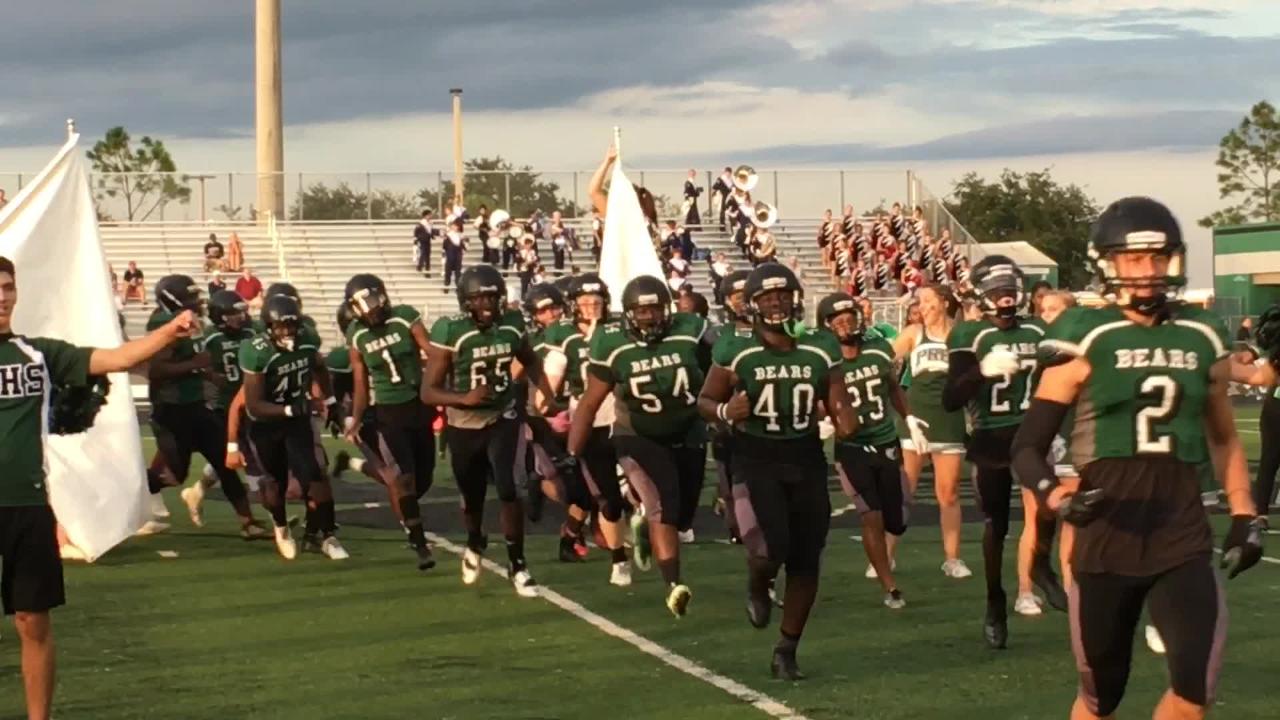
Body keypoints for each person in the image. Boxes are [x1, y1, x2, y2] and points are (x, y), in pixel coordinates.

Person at [1011, 197, 1264, 720]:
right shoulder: (1082, 334)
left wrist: (1244, 512)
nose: (1148, 272)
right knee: (1101, 697)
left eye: (1157, 258)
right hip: (1109, 533)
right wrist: (1054, 495)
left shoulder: (1201, 334)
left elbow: (1223, 437)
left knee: (1196, 692)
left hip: (1181, 530)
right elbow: (1028, 447)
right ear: (1109, 263)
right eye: (1134, 259)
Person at [0, 255, 199, 720]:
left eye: (7, 286)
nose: (2, 296)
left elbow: (117, 358)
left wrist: (169, 332)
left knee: (32, 620)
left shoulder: (39, 353)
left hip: (27, 503)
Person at [697, 263, 857, 680]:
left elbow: (836, 395)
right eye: (768, 297)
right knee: (770, 548)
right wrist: (725, 411)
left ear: (797, 299)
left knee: (806, 560)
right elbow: (705, 400)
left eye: (784, 295)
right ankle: (758, 582)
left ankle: (786, 649)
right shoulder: (736, 347)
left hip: (805, 457)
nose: (777, 303)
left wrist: (844, 416)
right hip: (755, 455)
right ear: (751, 305)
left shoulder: (821, 346)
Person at [571, 276, 713, 614]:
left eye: (655, 309)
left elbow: (719, 375)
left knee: (682, 518)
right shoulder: (612, 343)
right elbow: (591, 400)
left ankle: (641, 515)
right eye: (642, 310)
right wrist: (574, 449)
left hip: (688, 430)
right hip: (638, 433)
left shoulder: (691, 330)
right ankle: (673, 585)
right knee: (665, 502)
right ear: (629, 314)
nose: (649, 317)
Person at [942, 255, 1063, 649]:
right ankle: (995, 601)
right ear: (982, 295)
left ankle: (1041, 565)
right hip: (990, 436)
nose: (1007, 299)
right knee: (997, 526)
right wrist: (981, 371)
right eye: (998, 292)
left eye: (1010, 290)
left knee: (1049, 503)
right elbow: (950, 398)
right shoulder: (969, 336)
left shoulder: (1038, 330)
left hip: (1031, 432)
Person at [422, 265, 555, 598]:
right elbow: (429, 391)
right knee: (473, 494)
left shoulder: (510, 324)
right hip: (464, 422)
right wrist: (463, 398)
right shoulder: (450, 329)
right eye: (478, 299)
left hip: (503, 415)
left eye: (491, 298)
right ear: (465, 301)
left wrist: (546, 392)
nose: (485, 305)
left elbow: (531, 358)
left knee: (510, 488)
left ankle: (518, 563)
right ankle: (474, 542)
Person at [145, 276, 260, 536]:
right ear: (172, 298)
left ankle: (248, 523)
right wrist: (196, 365)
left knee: (225, 463)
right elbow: (158, 369)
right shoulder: (161, 323)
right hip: (170, 409)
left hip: (196, 405)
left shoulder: (190, 320)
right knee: (175, 474)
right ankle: (135, 488)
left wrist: (209, 374)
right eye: (190, 296)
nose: (196, 301)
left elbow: (192, 359)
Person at [818, 292, 910, 610]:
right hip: (852, 447)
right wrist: (826, 419)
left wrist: (910, 418)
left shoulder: (880, 350)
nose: (845, 325)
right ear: (827, 326)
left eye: (849, 318)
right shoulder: (824, 360)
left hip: (885, 440)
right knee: (871, 515)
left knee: (896, 520)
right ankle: (890, 586)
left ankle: (887, 566)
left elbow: (893, 387)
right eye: (838, 321)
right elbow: (816, 400)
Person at [238, 293, 345, 561]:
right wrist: (288, 409)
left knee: (314, 474)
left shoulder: (307, 338)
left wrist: (331, 401)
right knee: (275, 483)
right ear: (268, 326)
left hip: (296, 421)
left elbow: (319, 366)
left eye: (291, 325)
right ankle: (281, 526)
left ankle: (328, 535)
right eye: (280, 326)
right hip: (266, 424)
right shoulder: (257, 350)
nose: (287, 332)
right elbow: (253, 405)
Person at [341, 274, 437, 570]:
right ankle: (418, 540)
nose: (368, 309)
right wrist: (355, 418)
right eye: (361, 305)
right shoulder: (357, 334)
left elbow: (432, 352)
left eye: (371, 300)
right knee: (404, 478)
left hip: (419, 405)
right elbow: (360, 380)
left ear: (382, 296)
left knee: (423, 479)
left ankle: (409, 516)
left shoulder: (404, 316)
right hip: (389, 412)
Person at [541, 274, 631, 582]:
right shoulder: (562, 335)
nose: (591, 308)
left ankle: (630, 529)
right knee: (600, 493)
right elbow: (551, 376)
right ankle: (617, 556)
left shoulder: (620, 329)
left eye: (597, 302)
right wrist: (546, 399)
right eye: (585, 303)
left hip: (624, 412)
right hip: (587, 417)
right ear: (573, 306)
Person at [891, 285, 970, 577]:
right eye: (919, 302)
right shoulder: (914, 333)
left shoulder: (961, 334)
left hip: (949, 419)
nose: (921, 307)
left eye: (927, 301)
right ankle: (886, 555)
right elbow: (884, 359)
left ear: (944, 302)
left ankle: (952, 559)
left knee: (948, 493)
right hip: (917, 416)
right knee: (904, 489)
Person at [180, 290, 269, 535]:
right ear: (219, 316)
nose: (240, 317)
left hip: (250, 401)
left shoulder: (251, 332)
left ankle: (197, 490)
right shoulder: (209, 338)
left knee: (234, 456)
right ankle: (271, 511)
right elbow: (194, 363)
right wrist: (209, 374)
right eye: (233, 314)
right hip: (222, 406)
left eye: (241, 312)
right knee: (244, 455)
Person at [442, 221, 466, 293]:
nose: (455, 227)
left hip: (458, 255)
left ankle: (458, 287)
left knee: (458, 272)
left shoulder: (460, 235)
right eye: (453, 226)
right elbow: (444, 246)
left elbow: (463, 245)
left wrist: (463, 248)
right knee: (448, 272)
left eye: (456, 226)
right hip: (450, 255)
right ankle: (446, 286)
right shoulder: (448, 235)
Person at [414, 210, 434, 276]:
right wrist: (417, 239)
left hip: (427, 240)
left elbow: (431, 231)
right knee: (423, 253)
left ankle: (427, 269)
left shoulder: (430, 223)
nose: (431, 216)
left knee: (428, 255)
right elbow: (416, 232)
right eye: (429, 215)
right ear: (426, 215)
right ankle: (420, 266)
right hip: (422, 240)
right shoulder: (421, 223)